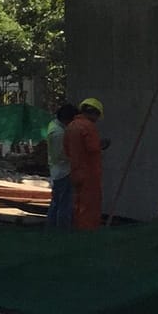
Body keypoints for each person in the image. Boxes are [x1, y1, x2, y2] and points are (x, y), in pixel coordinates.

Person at [64, 96, 108, 232]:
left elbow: (66, 149)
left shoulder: (71, 126)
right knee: (90, 206)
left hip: (75, 171)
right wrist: (103, 145)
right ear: (94, 113)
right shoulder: (88, 127)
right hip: (89, 173)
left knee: (78, 204)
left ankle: (77, 231)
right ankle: (87, 235)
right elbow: (93, 148)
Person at [45, 103, 77, 231]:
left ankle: (52, 228)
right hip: (63, 171)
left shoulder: (54, 126)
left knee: (57, 202)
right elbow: (62, 154)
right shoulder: (59, 134)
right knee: (64, 203)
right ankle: (62, 230)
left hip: (57, 170)